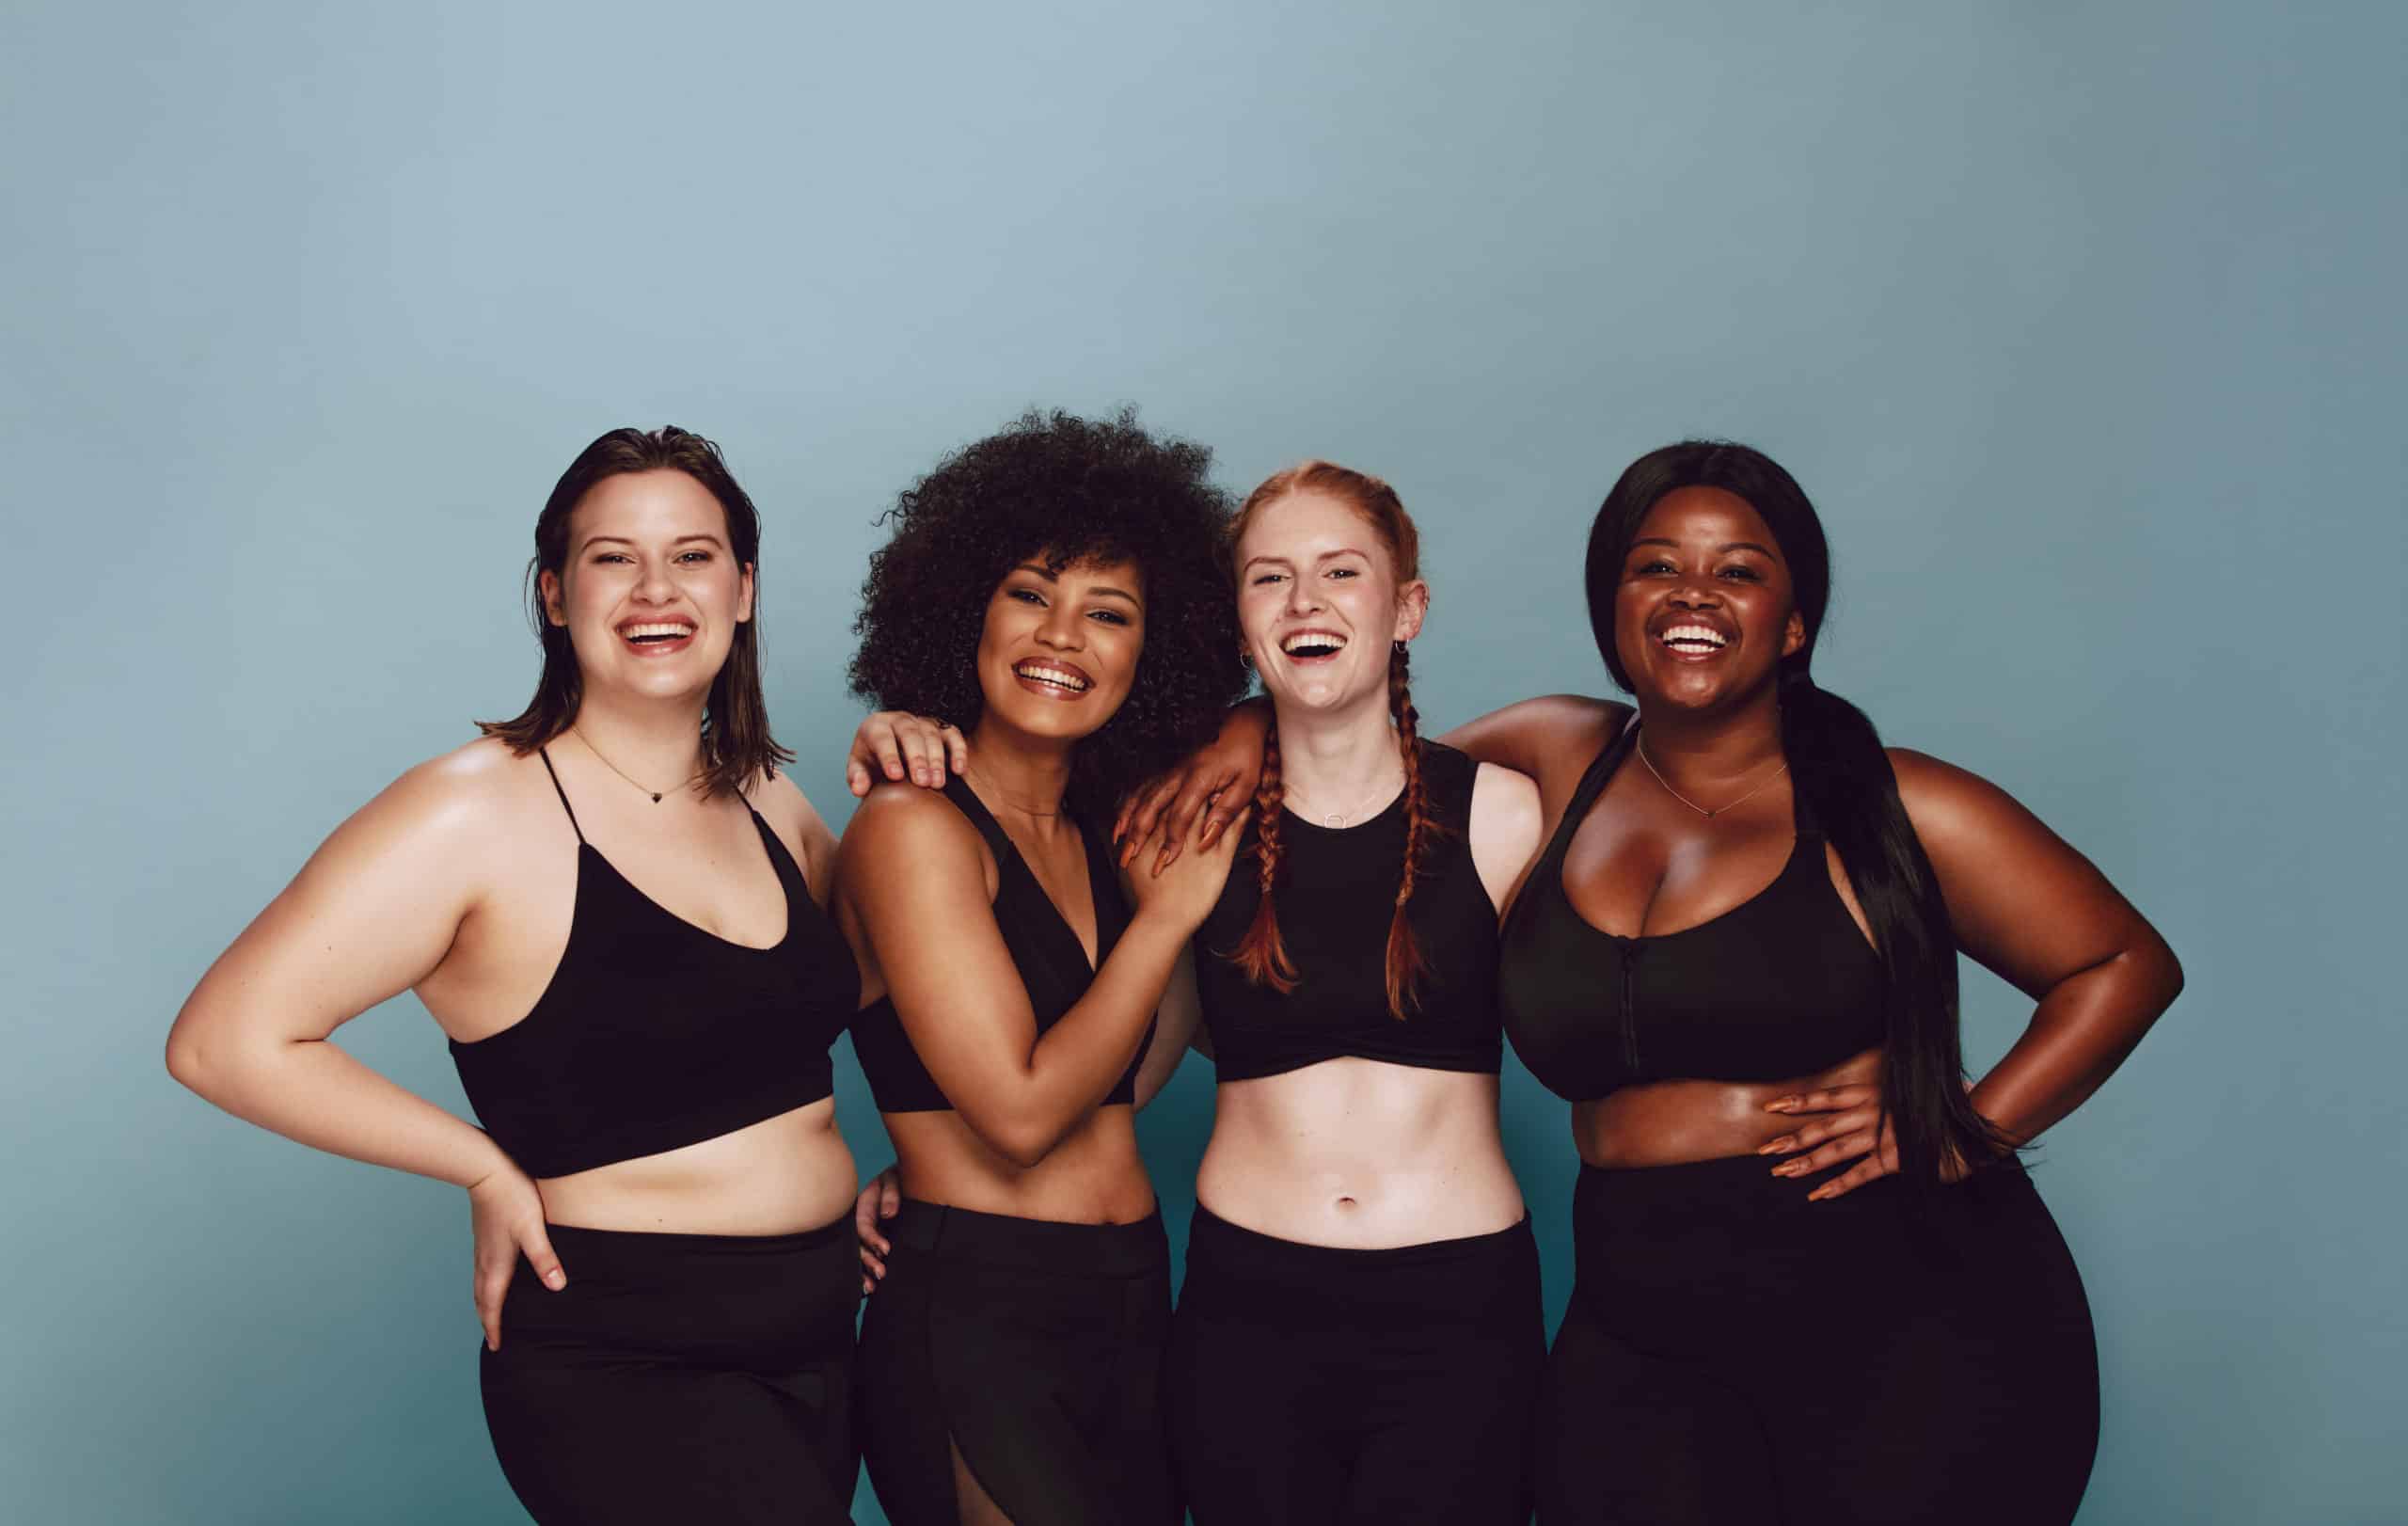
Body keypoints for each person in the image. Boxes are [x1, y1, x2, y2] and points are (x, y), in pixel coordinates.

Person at [1114, 439, 2184, 1524]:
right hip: (1640, 1304)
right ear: (1612, 605)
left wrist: (1958, 1124)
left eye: (1739, 570)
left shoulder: (1889, 799)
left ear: (1796, 620)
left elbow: (2123, 963)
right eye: (1656, 565)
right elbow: (1355, 765)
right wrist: (1247, 728)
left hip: (1901, 1301)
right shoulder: (1558, 754)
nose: (1693, 595)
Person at [166, 427, 868, 1522]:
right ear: (553, 592)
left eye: (692, 555)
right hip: (628, 1362)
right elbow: (224, 1040)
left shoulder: (773, 802)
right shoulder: (470, 810)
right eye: (610, 557)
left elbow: (881, 1000)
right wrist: (482, 1166)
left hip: (825, 1340)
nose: (654, 588)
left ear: (743, 589)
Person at [852, 460, 1547, 1521]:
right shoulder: (1066, 825)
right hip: (1163, 1304)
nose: (1062, 635)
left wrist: (1886, 1076)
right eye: (1269, 577)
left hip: (1174, 1297)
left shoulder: (1142, 821)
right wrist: (930, 1176)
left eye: (1110, 611)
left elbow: (1139, 1048)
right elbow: (1047, 1098)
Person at [836, 408, 1249, 1526]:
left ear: (1150, 653)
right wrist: (1166, 924)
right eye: (1029, 592)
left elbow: (1130, 1073)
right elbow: (1019, 1115)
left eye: (1107, 613)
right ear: (964, 606)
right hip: (978, 1309)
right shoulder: (912, 826)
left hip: (1128, 1299)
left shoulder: (1102, 831)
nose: (1060, 635)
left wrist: (1243, 737)